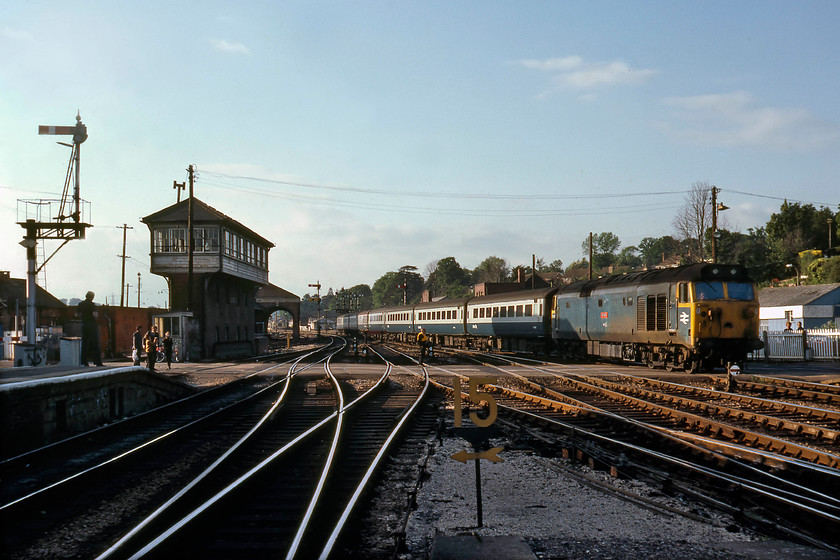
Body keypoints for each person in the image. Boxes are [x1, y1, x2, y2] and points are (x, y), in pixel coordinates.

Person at [77, 291, 103, 367]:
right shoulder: (92, 305)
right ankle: (97, 362)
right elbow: (95, 314)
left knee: (84, 344)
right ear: (92, 297)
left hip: (84, 324)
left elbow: (77, 314)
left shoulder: (80, 304)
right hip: (92, 324)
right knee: (95, 344)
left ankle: (84, 362)